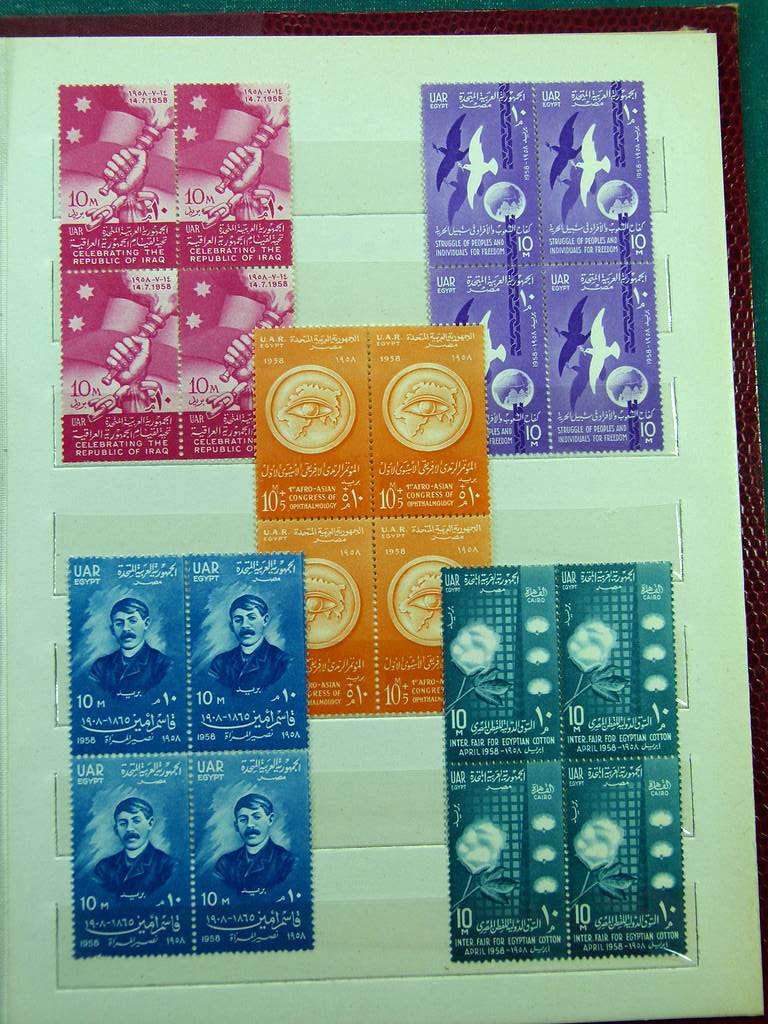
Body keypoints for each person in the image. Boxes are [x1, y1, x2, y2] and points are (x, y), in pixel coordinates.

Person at [92, 797, 175, 900]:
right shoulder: (103, 868)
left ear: (150, 823)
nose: (129, 829)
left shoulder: (167, 866)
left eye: (136, 821)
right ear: (116, 829)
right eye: (123, 823)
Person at [88, 597, 171, 698]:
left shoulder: (164, 665)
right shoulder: (100, 667)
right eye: (119, 623)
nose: (125, 628)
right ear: (112, 629)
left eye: (132, 621)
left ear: (146, 623)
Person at [213, 793, 295, 894]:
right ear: (236, 825)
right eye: (243, 819)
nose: (250, 825)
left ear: (270, 819)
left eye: (256, 817)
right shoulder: (224, 864)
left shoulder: (287, 862)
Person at [208, 594, 289, 695]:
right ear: (232, 626)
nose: (245, 625)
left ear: (265, 620)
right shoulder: (219, 663)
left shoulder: (282, 662)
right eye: (238, 620)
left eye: (251, 618)